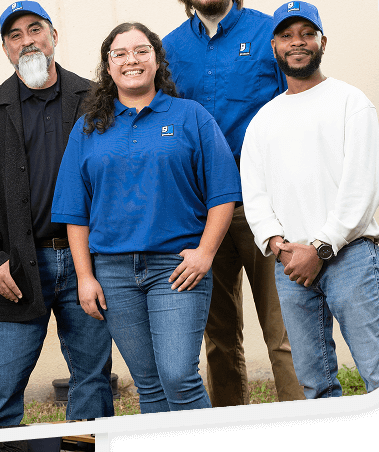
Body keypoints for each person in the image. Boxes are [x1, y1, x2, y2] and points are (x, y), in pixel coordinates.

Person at [52, 23, 240, 413]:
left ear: (157, 60)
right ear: (108, 66)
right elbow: (75, 212)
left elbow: (223, 194)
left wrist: (205, 253)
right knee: (149, 386)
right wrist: (85, 277)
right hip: (114, 274)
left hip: (176, 267)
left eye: (141, 51)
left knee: (178, 377)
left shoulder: (191, 116)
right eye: (119, 53)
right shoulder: (88, 128)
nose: (131, 60)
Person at [162, 0, 304, 407]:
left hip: (267, 204)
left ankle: (298, 405)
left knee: (283, 329)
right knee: (219, 336)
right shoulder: (167, 50)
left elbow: (298, 107)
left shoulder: (269, 33)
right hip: (203, 212)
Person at [0, 1, 114, 429]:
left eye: (35, 29)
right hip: (17, 267)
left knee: (92, 378)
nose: (27, 40)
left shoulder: (96, 100)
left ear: (54, 37)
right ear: (6, 49)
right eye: (15, 35)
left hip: (88, 263)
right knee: (3, 380)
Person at [240, 1, 379, 399]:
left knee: (378, 371)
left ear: (322, 41)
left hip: (350, 258)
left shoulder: (350, 102)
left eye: (307, 34)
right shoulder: (263, 121)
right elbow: (255, 195)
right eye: (288, 35)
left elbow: (361, 189)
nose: (298, 42)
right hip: (291, 266)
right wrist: (277, 245)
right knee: (314, 384)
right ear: (274, 46)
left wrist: (321, 247)